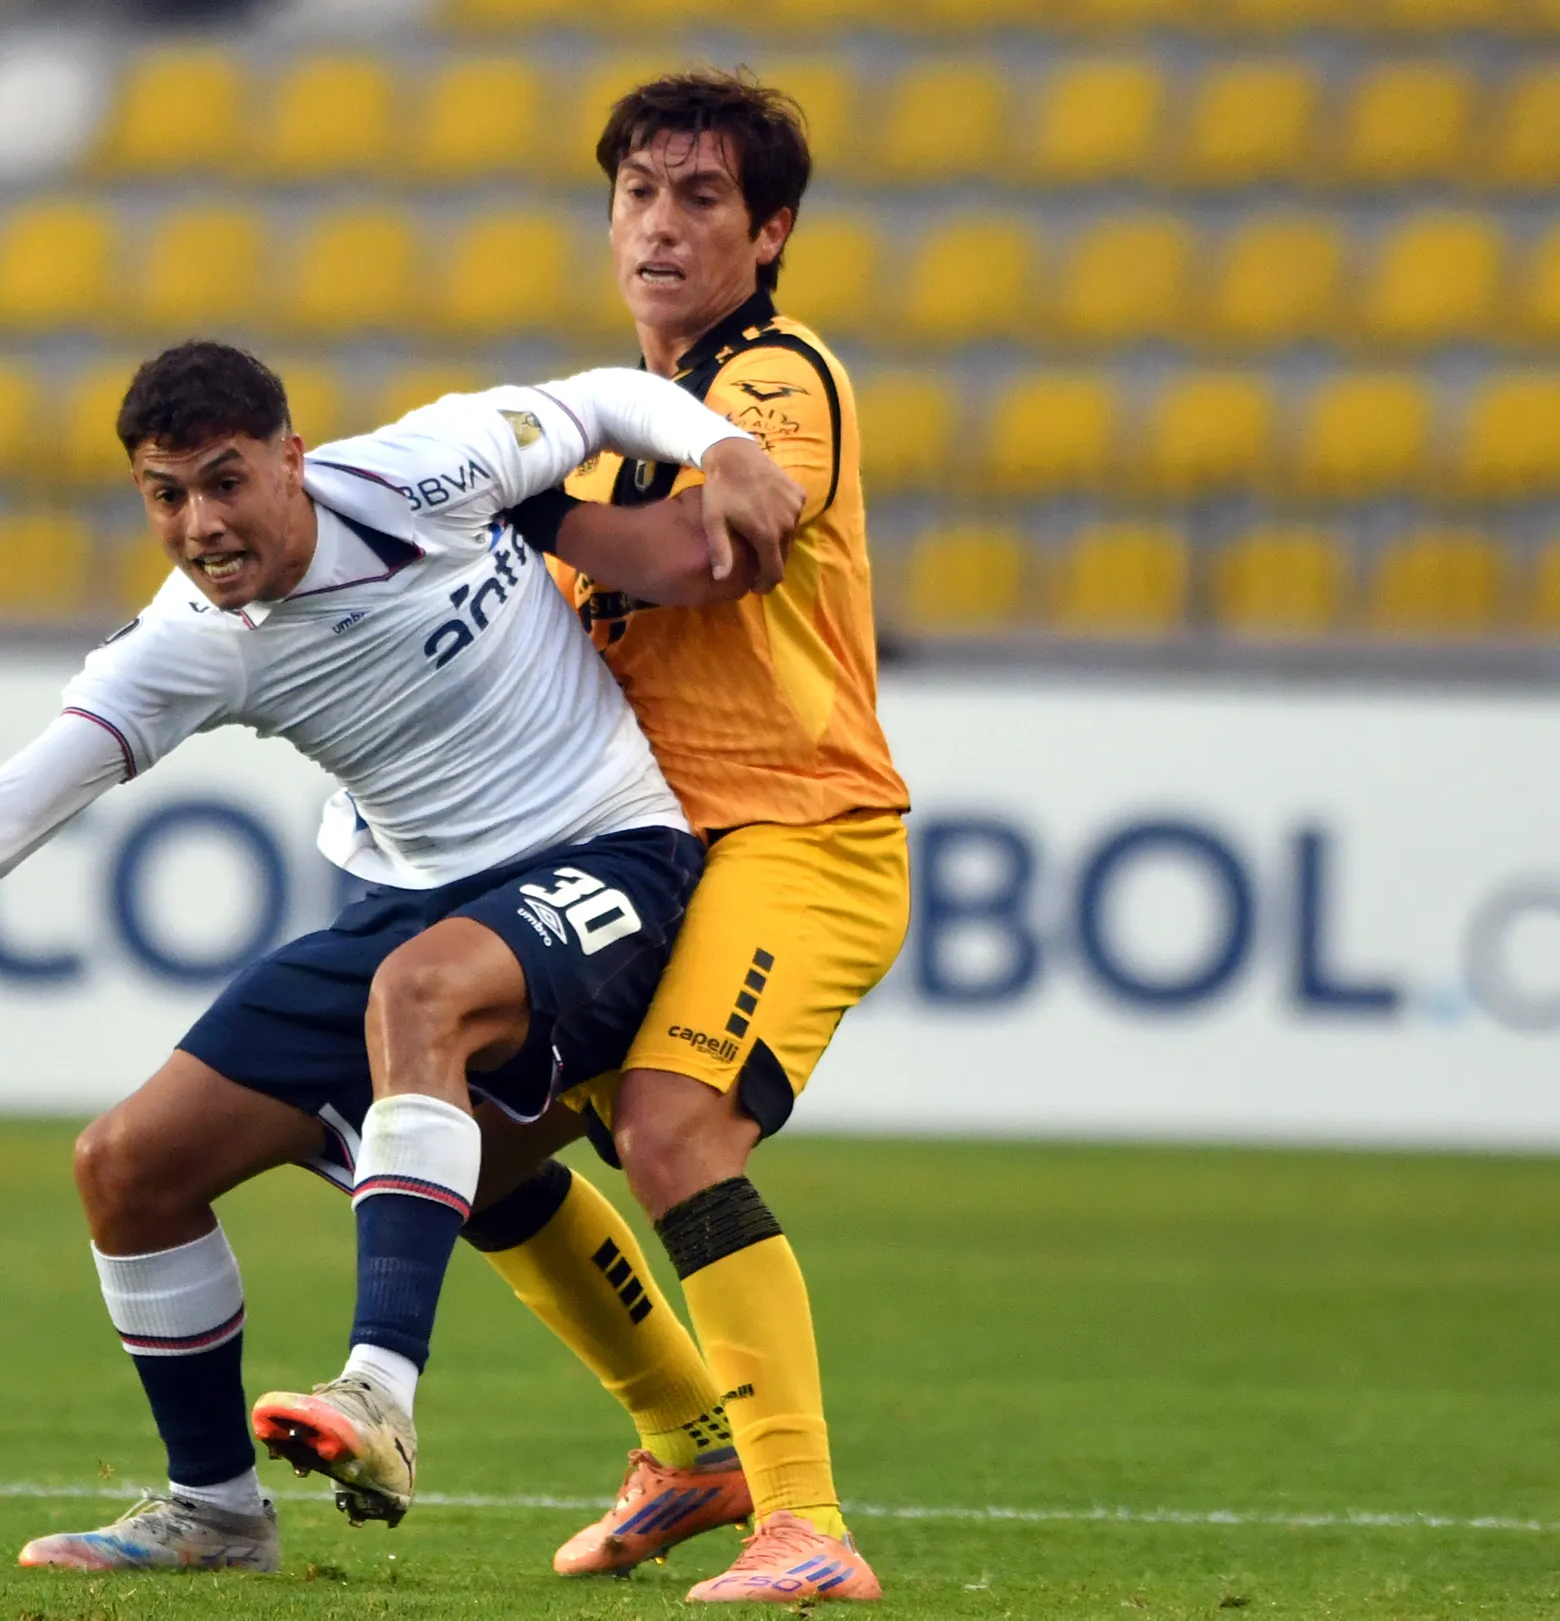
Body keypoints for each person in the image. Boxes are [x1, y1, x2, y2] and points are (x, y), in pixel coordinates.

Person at [0, 340, 807, 1573]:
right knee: (129, 1166)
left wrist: (723, 451)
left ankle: (380, 1394)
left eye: (224, 482)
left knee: (420, 1000)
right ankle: (218, 1511)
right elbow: (2, 811)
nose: (199, 525)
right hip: (411, 906)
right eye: (164, 494)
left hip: (612, 855)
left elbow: (604, 397)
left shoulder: (424, 470)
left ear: (293, 459)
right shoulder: (187, 642)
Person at [456, 72, 915, 1604]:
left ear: (768, 232)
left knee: (672, 1125)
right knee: (470, 1115)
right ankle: (685, 1437)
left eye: (701, 197)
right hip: (652, 854)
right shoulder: (588, 442)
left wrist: (514, 512)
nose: (660, 224)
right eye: (638, 194)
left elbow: (719, 551)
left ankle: (806, 1523)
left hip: (802, 830)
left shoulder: (773, 379)